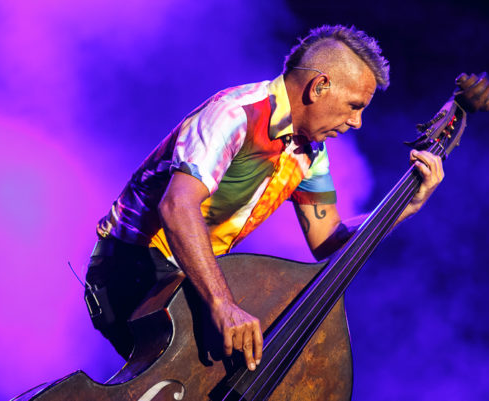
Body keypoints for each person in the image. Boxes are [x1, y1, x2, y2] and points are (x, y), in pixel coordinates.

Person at [84, 24, 446, 373]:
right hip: (132, 267)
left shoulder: (310, 151)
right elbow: (177, 206)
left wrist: (404, 208)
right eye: (354, 105)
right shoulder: (235, 114)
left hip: (184, 274)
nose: (357, 122)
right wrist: (222, 303)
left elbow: (327, 240)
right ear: (319, 86)